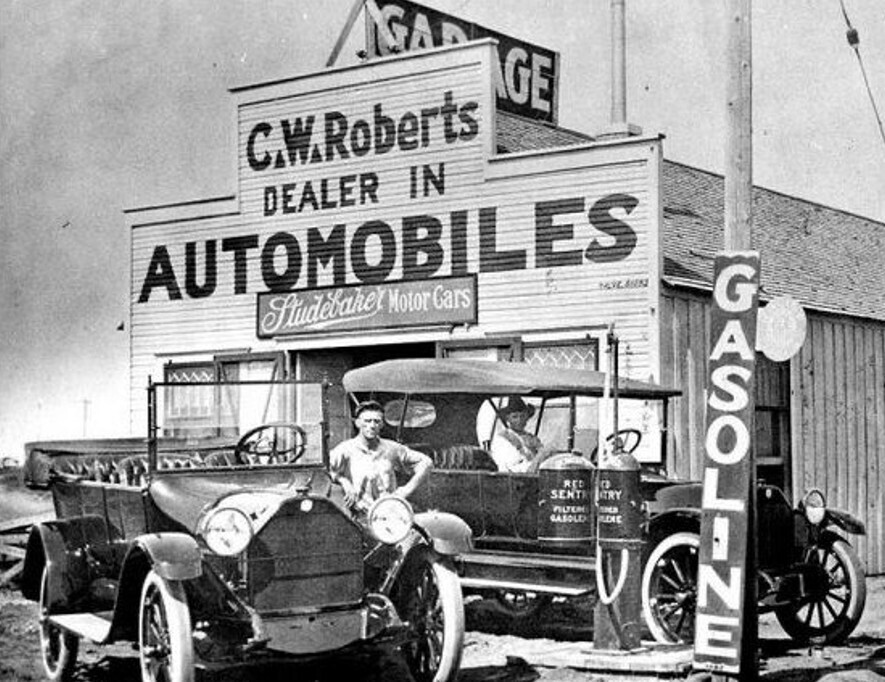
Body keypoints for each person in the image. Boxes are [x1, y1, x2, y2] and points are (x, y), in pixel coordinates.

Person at [330, 400, 432, 513]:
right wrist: (344, 482)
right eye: (367, 421)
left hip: (389, 514)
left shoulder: (391, 448)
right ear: (358, 423)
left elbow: (426, 463)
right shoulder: (346, 449)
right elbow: (325, 470)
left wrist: (405, 491)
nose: (372, 426)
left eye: (377, 421)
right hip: (359, 515)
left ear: (382, 424)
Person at [490, 396, 551, 473]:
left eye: (522, 416)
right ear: (508, 418)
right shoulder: (502, 439)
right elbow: (514, 466)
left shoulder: (532, 438)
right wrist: (538, 459)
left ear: (527, 417)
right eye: (514, 417)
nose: (519, 420)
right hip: (515, 477)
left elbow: (544, 454)